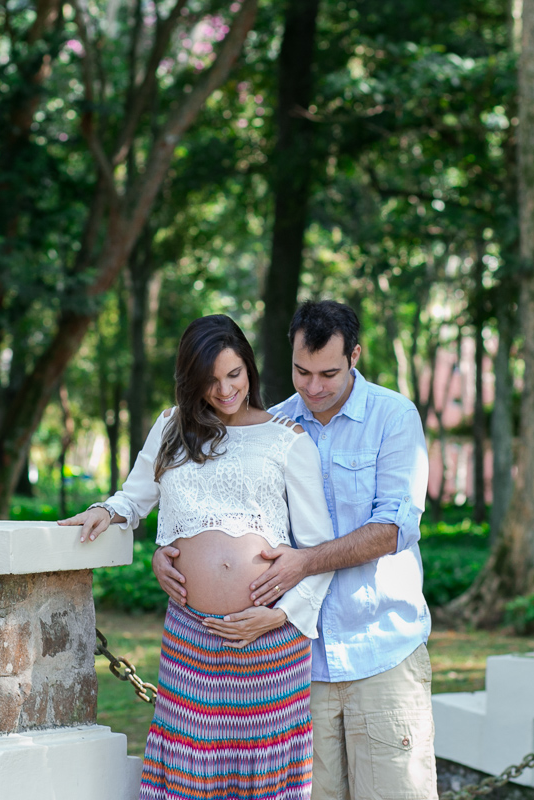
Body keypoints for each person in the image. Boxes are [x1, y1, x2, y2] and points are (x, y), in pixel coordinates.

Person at [154, 300, 436, 800]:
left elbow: (393, 528)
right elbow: (209, 501)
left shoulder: (394, 417)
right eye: (301, 372)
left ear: (355, 355)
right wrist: (167, 547)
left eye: (328, 372)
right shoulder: (270, 426)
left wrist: (305, 561)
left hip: (380, 647)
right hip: (302, 662)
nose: (313, 387)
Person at [59, 314, 336, 800]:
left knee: (264, 773)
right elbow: (134, 497)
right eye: (210, 380)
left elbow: (317, 552)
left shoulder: (288, 439)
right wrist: (107, 511)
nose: (226, 389)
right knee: (189, 768)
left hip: (269, 639)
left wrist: (278, 618)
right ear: (191, 379)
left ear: (249, 368)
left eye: (235, 374)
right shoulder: (172, 426)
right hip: (192, 636)